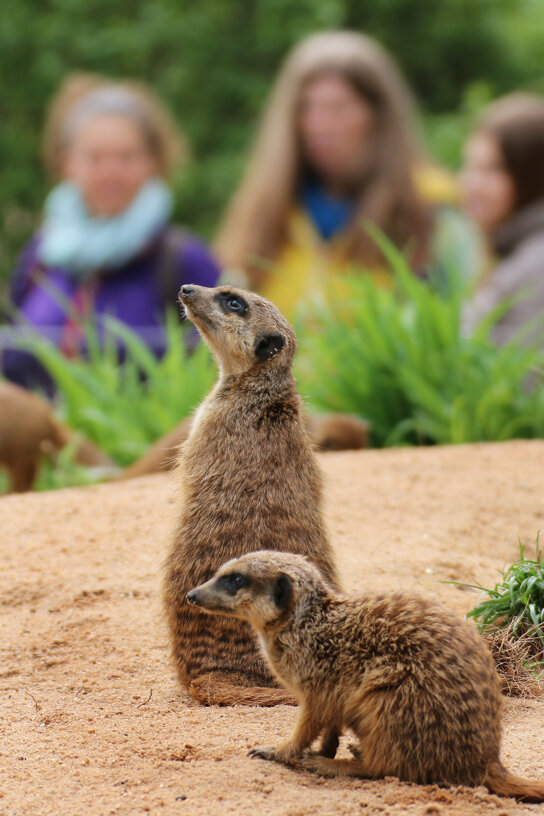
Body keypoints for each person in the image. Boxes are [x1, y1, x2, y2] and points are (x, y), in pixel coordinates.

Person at [214, 30, 479, 317]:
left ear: (378, 116)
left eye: (338, 108)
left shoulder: (430, 207)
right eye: (307, 108)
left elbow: (470, 315)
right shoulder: (267, 209)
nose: (319, 125)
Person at [2, 74, 220, 392]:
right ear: (67, 163)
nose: (110, 172)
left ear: (154, 162)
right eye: (95, 157)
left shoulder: (182, 259)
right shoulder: (42, 253)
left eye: (126, 157)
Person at [461, 93, 544, 345]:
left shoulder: (536, 264)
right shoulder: (515, 250)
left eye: (493, 169)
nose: (472, 183)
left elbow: (524, 377)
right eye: (469, 166)